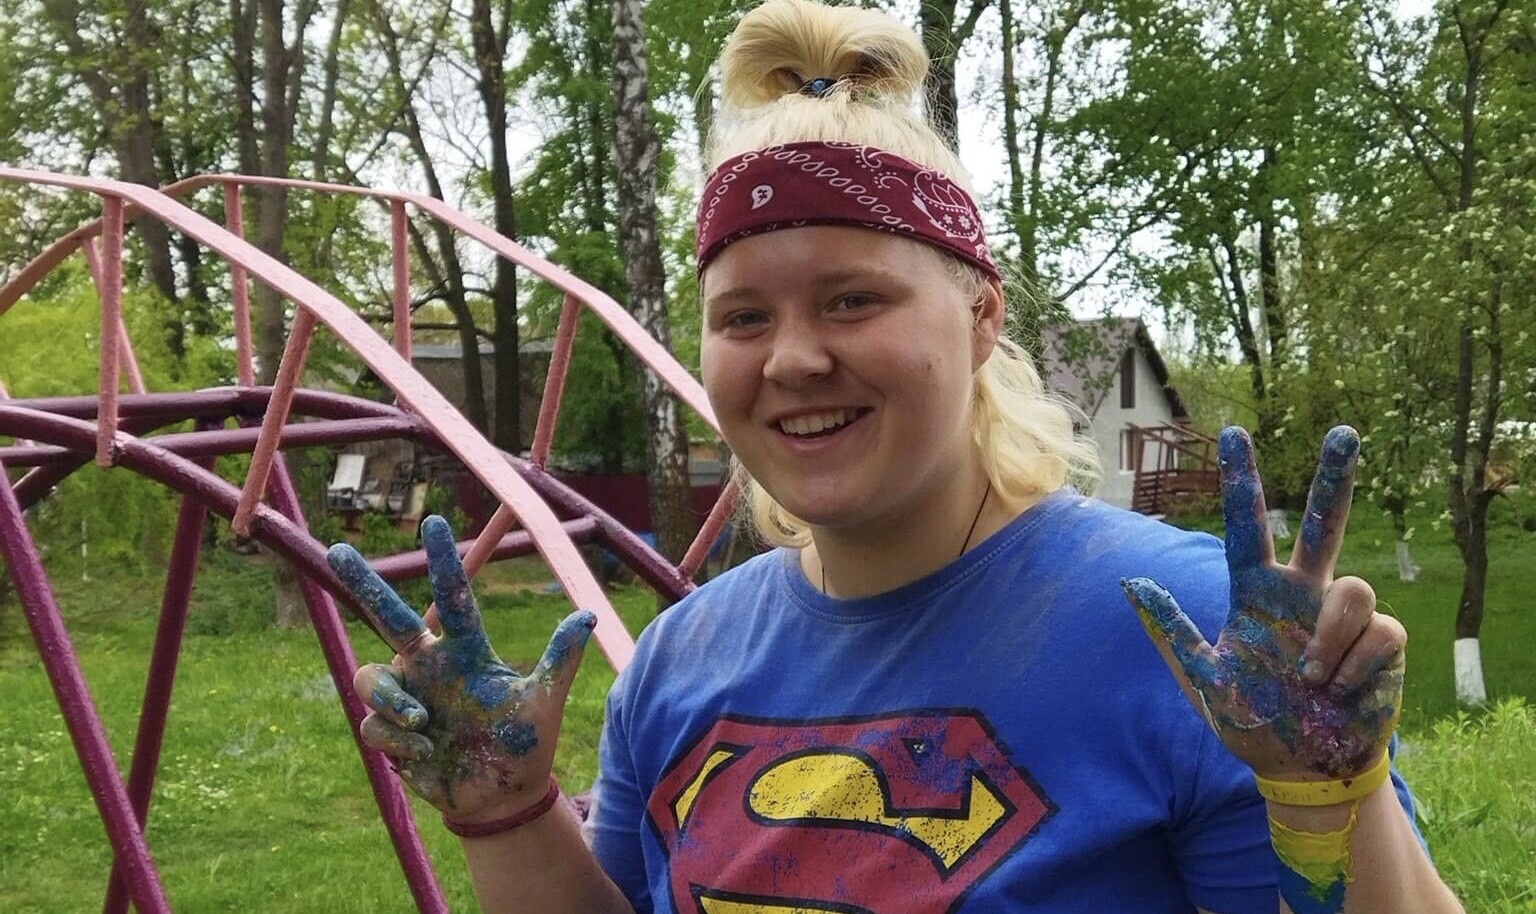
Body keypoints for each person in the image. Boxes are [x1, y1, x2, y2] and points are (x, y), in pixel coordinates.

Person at [325, 1, 1465, 911]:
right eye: (743, 317)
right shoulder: (678, 661)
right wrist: (510, 814)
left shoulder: (1187, 633)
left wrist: (1329, 800)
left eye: (853, 299)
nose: (793, 359)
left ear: (980, 317)